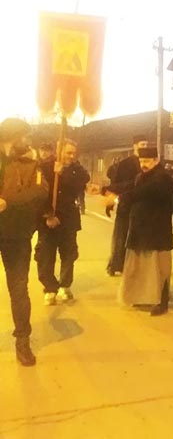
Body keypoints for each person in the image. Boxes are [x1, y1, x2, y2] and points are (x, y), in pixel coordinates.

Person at [0, 118, 47, 366]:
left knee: (19, 289)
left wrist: (8, 201)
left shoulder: (31, 165)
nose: (28, 141)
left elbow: (40, 192)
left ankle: (22, 341)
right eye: (24, 136)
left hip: (16, 235)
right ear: (12, 137)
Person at [117, 147, 173, 316]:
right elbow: (128, 186)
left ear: (156, 160)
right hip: (141, 231)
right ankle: (142, 297)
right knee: (140, 268)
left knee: (160, 269)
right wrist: (106, 189)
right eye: (141, 161)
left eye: (147, 161)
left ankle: (161, 302)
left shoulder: (163, 178)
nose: (143, 164)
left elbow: (143, 192)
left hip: (157, 232)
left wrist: (119, 198)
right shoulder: (141, 177)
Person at [35, 139, 90, 305]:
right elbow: (38, 193)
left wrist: (63, 173)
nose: (71, 156)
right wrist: (48, 215)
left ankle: (65, 285)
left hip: (68, 219)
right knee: (45, 256)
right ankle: (50, 288)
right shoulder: (44, 167)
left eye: (74, 153)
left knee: (69, 254)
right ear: (59, 151)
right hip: (47, 220)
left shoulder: (77, 170)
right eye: (68, 153)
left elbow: (80, 185)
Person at [104, 135, 148, 275]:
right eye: (142, 144)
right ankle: (115, 265)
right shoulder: (125, 164)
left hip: (142, 206)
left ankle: (135, 266)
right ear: (135, 146)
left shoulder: (148, 164)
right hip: (126, 205)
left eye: (146, 145)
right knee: (121, 236)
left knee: (139, 238)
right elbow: (116, 185)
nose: (145, 147)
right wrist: (110, 204)